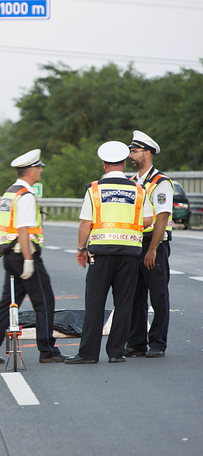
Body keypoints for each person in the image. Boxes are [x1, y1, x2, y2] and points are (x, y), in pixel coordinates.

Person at [66, 141, 153, 364]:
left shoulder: (94, 189)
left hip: (101, 254)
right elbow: (149, 219)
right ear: (123, 164)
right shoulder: (139, 189)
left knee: (95, 304)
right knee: (123, 304)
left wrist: (81, 249)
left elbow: (86, 223)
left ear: (105, 165)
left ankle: (88, 354)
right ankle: (116, 353)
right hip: (129, 254)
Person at [0, 149, 66, 364]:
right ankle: (47, 350)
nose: (41, 171)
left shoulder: (10, 193)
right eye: (39, 168)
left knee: (8, 304)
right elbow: (23, 229)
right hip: (23, 255)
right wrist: (28, 260)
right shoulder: (25, 196)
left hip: (9, 255)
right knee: (44, 302)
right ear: (31, 171)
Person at [124, 130, 173, 358]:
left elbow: (162, 217)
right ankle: (136, 343)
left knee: (158, 294)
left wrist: (152, 249)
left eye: (135, 152)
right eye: (131, 151)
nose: (131, 156)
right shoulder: (132, 182)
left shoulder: (160, 183)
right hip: (135, 242)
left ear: (148, 153)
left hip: (155, 243)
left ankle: (157, 343)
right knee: (135, 295)